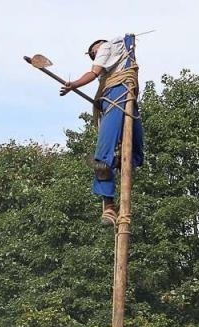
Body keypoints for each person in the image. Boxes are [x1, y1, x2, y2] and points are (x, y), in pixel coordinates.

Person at [58, 36, 146, 224]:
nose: (93, 54)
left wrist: (74, 84)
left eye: (93, 51)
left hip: (123, 93)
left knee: (135, 154)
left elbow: (93, 73)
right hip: (114, 96)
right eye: (92, 55)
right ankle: (108, 206)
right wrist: (75, 85)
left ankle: (114, 165)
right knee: (103, 157)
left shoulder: (108, 46)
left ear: (99, 45)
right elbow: (97, 72)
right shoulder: (120, 51)